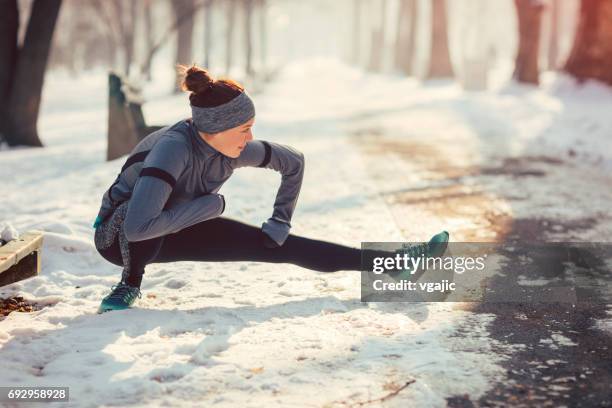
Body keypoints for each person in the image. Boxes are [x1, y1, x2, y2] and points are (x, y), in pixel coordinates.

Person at [93, 64, 449, 313]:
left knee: (280, 246)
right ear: (215, 128)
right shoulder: (172, 149)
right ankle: (129, 284)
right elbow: (137, 226)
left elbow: (293, 161)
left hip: (176, 222)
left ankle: (393, 263)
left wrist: (280, 220)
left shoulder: (229, 147)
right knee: (146, 211)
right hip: (120, 237)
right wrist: (210, 207)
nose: (250, 138)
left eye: (252, 127)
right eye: (244, 129)